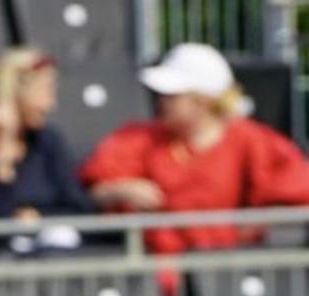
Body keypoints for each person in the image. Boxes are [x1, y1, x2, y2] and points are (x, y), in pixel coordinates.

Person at [82, 43, 309, 255]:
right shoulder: (139, 138)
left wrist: (259, 222)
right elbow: (92, 188)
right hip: (160, 274)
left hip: (226, 271)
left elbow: (296, 186)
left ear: (202, 100)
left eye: (173, 96)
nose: (161, 102)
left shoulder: (252, 140)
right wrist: (118, 191)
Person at [0, 47, 93, 251]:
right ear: (15, 91)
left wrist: (39, 217)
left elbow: (79, 208)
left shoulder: (49, 143)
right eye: (44, 92)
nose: (50, 105)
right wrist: (1, 162)